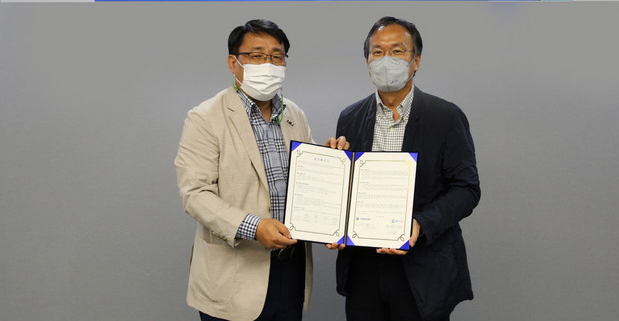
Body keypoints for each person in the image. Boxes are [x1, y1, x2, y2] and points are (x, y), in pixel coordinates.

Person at [175, 19, 343, 321]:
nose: (268, 64)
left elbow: (308, 182)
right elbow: (195, 195)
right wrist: (254, 227)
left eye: (277, 57)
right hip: (233, 275)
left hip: (290, 268)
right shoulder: (204, 118)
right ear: (233, 62)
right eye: (256, 56)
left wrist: (332, 162)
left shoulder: (294, 114)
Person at [328, 16, 481, 321]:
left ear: (416, 61)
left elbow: (466, 190)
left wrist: (420, 224)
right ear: (368, 61)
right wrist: (333, 169)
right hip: (363, 267)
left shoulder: (445, 116)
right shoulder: (350, 116)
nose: (386, 60)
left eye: (397, 51)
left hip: (422, 267)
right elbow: (348, 189)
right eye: (377, 52)